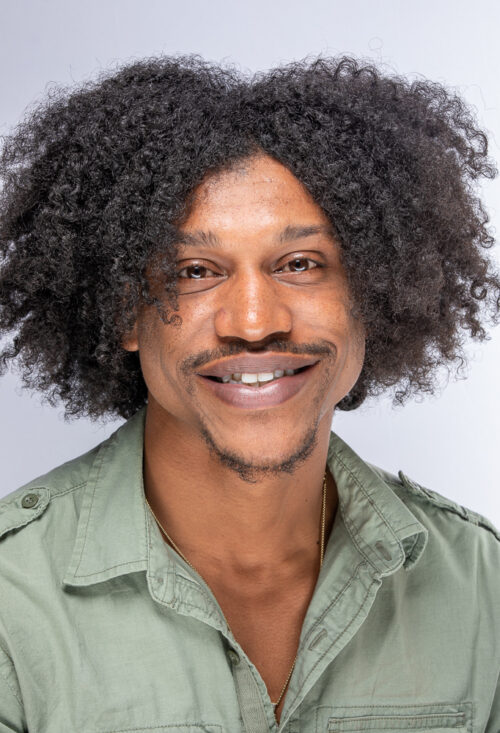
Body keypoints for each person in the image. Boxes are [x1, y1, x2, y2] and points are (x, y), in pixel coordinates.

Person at [0, 54, 499, 733]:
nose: (256, 322)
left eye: (300, 264)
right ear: (124, 314)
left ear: (374, 295)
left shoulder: (482, 587)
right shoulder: (12, 600)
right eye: (195, 271)